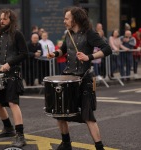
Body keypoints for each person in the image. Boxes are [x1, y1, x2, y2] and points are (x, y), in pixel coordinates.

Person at [47, 6, 112, 150]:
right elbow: (63, 49)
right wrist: (55, 54)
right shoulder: (68, 33)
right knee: (60, 112)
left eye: (66, 18)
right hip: (68, 78)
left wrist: (89, 57)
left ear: (75, 19)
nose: (64, 21)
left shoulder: (89, 33)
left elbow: (107, 49)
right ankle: (66, 143)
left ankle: (99, 147)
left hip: (84, 79)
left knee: (88, 116)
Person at [0, 9, 28, 148]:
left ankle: (20, 135)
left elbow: (25, 54)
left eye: (4, 19)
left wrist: (9, 63)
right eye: (1, 19)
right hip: (1, 75)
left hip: (13, 74)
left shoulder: (17, 34)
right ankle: (8, 129)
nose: (1, 21)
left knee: (13, 103)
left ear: (11, 20)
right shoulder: (1, 35)